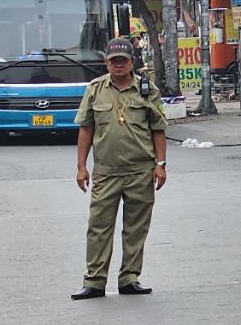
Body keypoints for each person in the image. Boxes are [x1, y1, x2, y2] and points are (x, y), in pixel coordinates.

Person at [71, 38, 168, 300]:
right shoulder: (95, 89)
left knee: (136, 227)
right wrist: (81, 167)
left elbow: (158, 129)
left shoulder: (147, 90)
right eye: (114, 61)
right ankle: (94, 281)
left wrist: (160, 165)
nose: (118, 65)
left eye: (123, 60)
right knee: (99, 226)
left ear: (131, 62)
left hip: (140, 170)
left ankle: (129, 277)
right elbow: (86, 129)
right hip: (106, 172)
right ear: (106, 63)